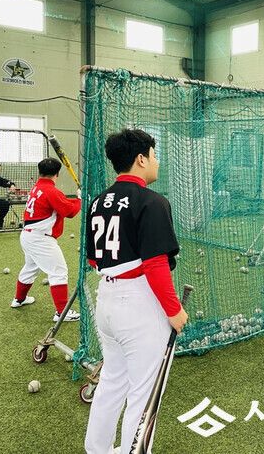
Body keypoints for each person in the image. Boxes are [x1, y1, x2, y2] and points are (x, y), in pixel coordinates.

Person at [84, 129, 188, 454]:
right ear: (141, 159)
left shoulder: (97, 201)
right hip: (139, 304)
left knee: (112, 382)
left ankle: (97, 450)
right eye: (154, 155)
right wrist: (174, 310)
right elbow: (156, 265)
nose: (157, 162)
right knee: (144, 393)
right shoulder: (153, 201)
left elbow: (92, 259)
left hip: (106, 300)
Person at [11, 157, 82, 322]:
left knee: (30, 268)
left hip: (28, 236)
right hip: (40, 239)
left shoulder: (37, 187)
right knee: (59, 271)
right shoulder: (52, 191)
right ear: (57, 174)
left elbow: (61, 202)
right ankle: (62, 313)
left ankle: (19, 299)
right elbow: (70, 212)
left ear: (40, 172)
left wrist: (77, 199)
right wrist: (80, 199)